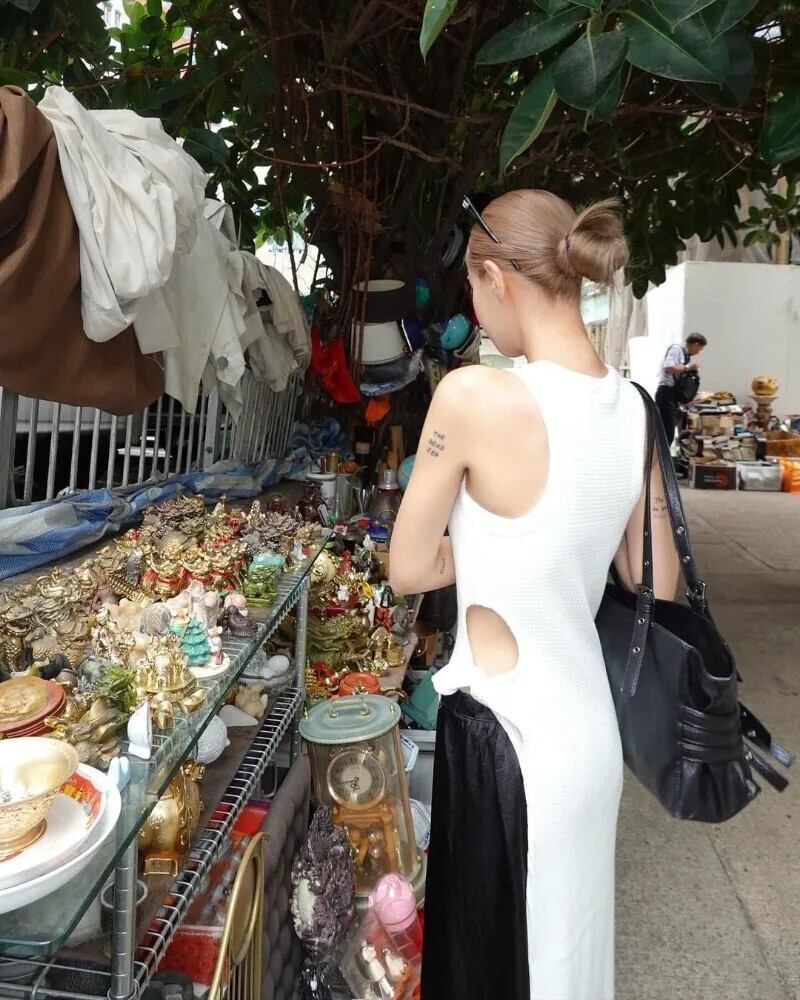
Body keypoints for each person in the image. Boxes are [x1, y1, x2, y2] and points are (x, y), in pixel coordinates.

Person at [389, 189, 680, 1000]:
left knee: (492, 970)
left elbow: (407, 566)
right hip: (588, 740)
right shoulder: (634, 409)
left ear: (495, 277)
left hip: (503, 741)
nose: (476, 314)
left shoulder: (474, 396)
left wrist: (486, 549)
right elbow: (655, 583)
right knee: (567, 965)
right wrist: (553, 547)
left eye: (474, 292)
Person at [656, 333, 707, 445]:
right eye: (699, 349)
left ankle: (664, 452)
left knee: (671, 427)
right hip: (666, 392)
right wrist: (688, 367)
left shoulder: (685, 355)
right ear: (695, 344)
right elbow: (669, 367)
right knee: (667, 429)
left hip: (673, 394)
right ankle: (661, 454)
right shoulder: (676, 349)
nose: (698, 352)